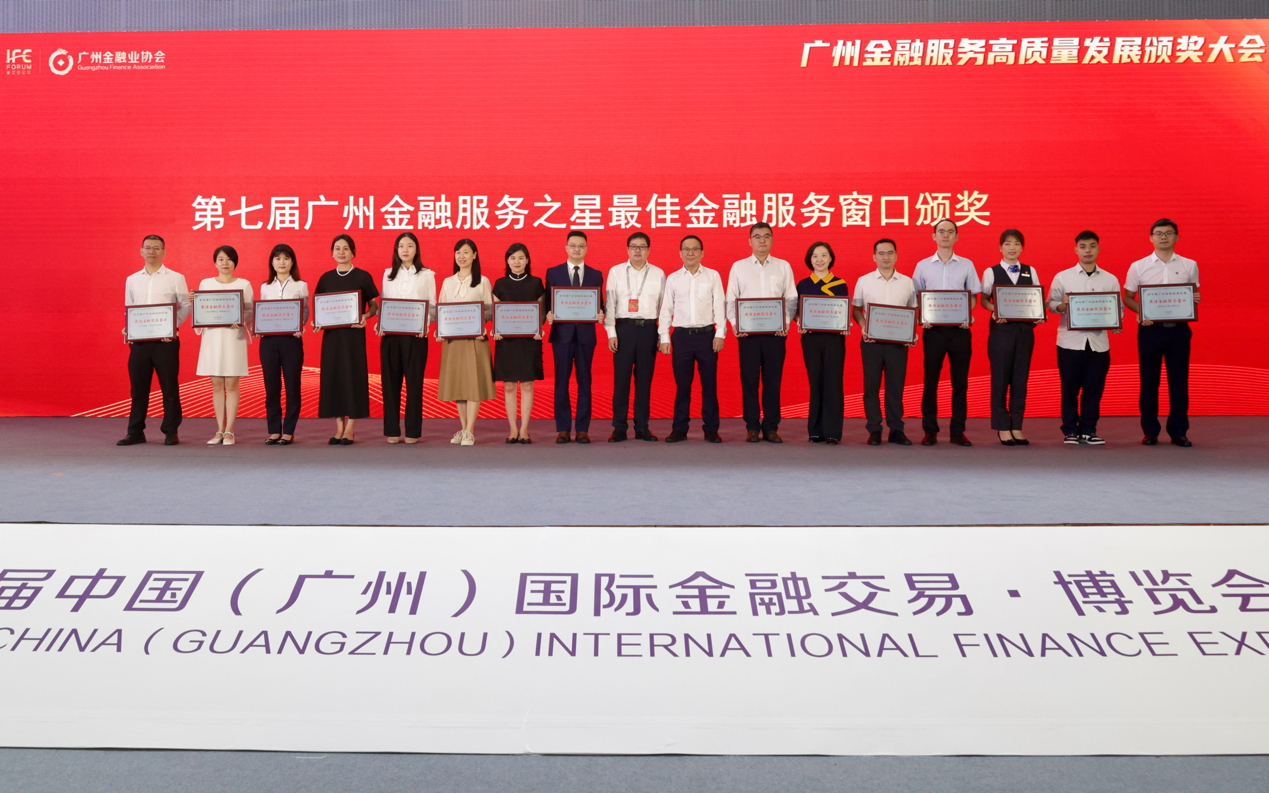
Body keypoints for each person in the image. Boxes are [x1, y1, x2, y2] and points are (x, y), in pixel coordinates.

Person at [1124, 218, 1200, 447]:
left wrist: (1194, 299)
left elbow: (1192, 295)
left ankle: (1178, 432)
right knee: (1149, 382)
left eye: (1168, 233)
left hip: (1179, 332)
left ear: (1177, 236)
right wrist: (1142, 312)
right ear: (1151, 237)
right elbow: (1128, 297)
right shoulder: (1138, 266)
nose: (1163, 237)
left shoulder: (1189, 265)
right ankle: (1150, 431)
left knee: (1179, 382)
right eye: (1159, 233)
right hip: (1150, 331)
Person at [1047, 230, 1123, 445]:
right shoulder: (1063, 277)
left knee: (1094, 389)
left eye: (1092, 246)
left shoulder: (1110, 279)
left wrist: (1116, 322)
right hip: (1069, 343)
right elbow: (1050, 304)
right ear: (1076, 249)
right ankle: (1070, 430)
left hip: (1098, 344)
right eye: (1083, 246)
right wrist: (1062, 305)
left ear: (1098, 248)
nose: (1087, 250)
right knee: (1069, 389)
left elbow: (1118, 308)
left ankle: (1089, 430)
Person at [725, 222, 798, 443]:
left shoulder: (783, 266)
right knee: (749, 381)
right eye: (757, 236)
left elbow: (791, 298)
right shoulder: (739, 267)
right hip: (748, 335)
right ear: (750, 241)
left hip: (776, 335)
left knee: (773, 381)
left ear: (772, 239)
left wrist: (785, 322)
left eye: (766, 236)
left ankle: (771, 427)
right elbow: (731, 299)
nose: (762, 240)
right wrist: (736, 324)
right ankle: (752, 427)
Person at [912, 218, 981, 447]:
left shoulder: (967, 265)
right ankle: (930, 431)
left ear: (956, 237)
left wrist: (965, 314)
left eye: (950, 232)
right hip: (934, 332)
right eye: (941, 231)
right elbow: (917, 297)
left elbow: (973, 296)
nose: (945, 235)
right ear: (934, 236)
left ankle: (957, 431)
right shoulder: (922, 266)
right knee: (930, 381)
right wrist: (922, 317)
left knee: (960, 383)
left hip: (960, 331)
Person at [118, 234, 190, 446]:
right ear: (141, 251)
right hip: (139, 343)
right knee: (138, 389)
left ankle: (171, 431)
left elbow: (185, 306)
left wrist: (170, 327)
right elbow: (130, 308)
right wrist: (129, 328)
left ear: (164, 252)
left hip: (166, 343)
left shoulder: (175, 278)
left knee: (169, 388)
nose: (152, 251)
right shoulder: (132, 279)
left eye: (157, 248)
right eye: (148, 247)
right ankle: (135, 432)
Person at [979, 229, 1044, 447]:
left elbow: (1035, 299)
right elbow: (984, 300)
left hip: (1025, 333)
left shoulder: (1030, 271)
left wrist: (1038, 313)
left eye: (1016, 243)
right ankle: (1002, 427)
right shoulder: (991, 271)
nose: (1012, 247)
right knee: (1000, 379)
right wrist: (995, 310)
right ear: (1000, 247)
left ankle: (1016, 425)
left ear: (1022, 247)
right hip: (1001, 332)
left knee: (1020, 380)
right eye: (1007, 243)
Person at [659, 235, 726, 443]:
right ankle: (679, 429)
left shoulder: (713, 276)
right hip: (681, 338)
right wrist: (664, 336)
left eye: (695, 249)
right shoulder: (673, 278)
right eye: (686, 249)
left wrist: (720, 333)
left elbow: (719, 306)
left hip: (707, 336)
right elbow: (666, 309)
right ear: (680, 253)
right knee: (682, 387)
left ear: (702, 253)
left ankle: (711, 429)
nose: (690, 253)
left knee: (709, 385)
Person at [314, 234, 379, 445]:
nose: (341, 252)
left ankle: (350, 428)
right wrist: (317, 322)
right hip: (332, 339)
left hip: (353, 337)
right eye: (337, 248)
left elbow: (374, 305)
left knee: (353, 377)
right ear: (332, 252)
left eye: (345, 248)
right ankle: (339, 427)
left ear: (353, 252)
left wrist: (366, 316)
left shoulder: (363, 276)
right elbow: (319, 307)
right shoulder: (325, 278)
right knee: (334, 378)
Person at [851, 238, 916, 446]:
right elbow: (856, 309)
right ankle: (874, 429)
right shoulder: (864, 281)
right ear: (874, 257)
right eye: (881, 253)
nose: (885, 257)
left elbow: (913, 311)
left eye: (890, 253)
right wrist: (864, 326)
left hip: (898, 344)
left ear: (896, 256)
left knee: (895, 388)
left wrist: (911, 333)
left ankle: (896, 430)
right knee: (871, 387)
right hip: (871, 342)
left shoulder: (907, 282)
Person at [544, 231, 605, 443]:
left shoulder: (596, 274)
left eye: (581, 245)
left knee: (585, 382)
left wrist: (601, 313)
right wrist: (547, 314)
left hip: (586, 335)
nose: (577, 249)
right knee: (561, 382)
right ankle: (562, 429)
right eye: (573, 245)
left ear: (586, 248)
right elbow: (547, 303)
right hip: (561, 335)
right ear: (566, 248)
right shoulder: (553, 272)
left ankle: (582, 429)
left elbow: (600, 303)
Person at [604, 232, 666, 442]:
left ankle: (642, 427)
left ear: (648, 250)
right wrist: (611, 332)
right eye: (633, 246)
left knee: (644, 381)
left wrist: (662, 334)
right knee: (621, 381)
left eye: (642, 247)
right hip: (624, 329)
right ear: (627, 249)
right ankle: (619, 428)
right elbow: (610, 304)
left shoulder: (658, 273)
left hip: (648, 330)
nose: (637, 250)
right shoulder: (616, 271)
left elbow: (663, 306)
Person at [378, 231, 436, 445]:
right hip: (391, 337)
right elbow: (384, 303)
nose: (405, 250)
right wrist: (380, 323)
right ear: (396, 249)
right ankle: (392, 430)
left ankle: (412, 431)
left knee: (414, 385)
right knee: (390, 384)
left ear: (416, 249)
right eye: (401, 246)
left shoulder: (427, 274)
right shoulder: (387, 274)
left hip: (416, 337)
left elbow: (432, 306)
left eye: (410, 245)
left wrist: (424, 325)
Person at [194, 245, 254, 446]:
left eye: (229, 259)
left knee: (232, 384)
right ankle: (219, 429)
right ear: (215, 262)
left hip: (233, 338)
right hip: (212, 338)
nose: (225, 263)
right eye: (221, 259)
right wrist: (194, 303)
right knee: (217, 384)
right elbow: (200, 310)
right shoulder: (205, 284)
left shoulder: (244, 284)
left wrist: (243, 320)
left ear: (235, 262)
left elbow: (250, 311)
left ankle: (230, 431)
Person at [437, 238, 495, 446]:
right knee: (458, 385)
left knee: (473, 385)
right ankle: (463, 428)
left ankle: (470, 430)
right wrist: (440, 330)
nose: (461, 256)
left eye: (466, 252)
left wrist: (482, 326)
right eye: (458, 252)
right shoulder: (447, 281)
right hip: (453, 341)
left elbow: (489, 310)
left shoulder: (483, 281)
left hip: (475, 340)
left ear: (474, 255)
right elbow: (442, 309)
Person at [795, 241, 849, 444]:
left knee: (833, 383)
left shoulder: (840, 283)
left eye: (824, 255)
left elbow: (842, 312)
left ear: (830, 258)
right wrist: (799, 321)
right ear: (810, 260)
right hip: (811, 339)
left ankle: (833, 431)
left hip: (834, 339)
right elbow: (796, 312)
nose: (819, 260)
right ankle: (816, 430)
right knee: (815, 382)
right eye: (815, 256)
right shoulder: (803, 284)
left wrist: (844, 324)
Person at [493, 242, 545, 444]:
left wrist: (539, 328)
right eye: (512, 258)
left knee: (527, 385)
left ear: (527, 260)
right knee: (508, 386)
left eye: (521, 258)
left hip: (529, 341)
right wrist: (496, 329)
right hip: (506, 342)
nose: (517, 262)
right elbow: (496, 313)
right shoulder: (500, 284)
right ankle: (512, 429)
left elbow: (541, 312)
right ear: (507, 261)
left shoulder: (536, 283)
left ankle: (524, 429)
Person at [258, 243, 307, 445]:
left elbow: (305, 311)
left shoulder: (300, 285)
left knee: (292, 386)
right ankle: (274, 430)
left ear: (292, 262)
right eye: (277, 258)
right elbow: (262, 312)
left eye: (286, 258)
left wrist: (299, 324)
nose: (282, 262)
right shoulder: (265, 286)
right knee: (272, 387)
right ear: (272, 262)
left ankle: (288, 430)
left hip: (291, 341)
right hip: (268, 342)